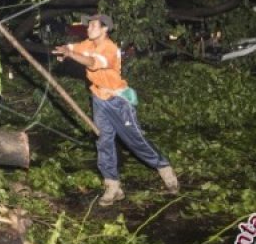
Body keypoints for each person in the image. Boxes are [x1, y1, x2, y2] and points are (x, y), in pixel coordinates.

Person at [53, 14, 179, 206]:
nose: (89, 28)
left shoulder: (110, 48)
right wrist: (65, 50)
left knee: (135, 140)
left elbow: (93, 63)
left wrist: (72, 55)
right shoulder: (89, 43)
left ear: (105, 29)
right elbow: (73, 47)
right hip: (98, 99)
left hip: (118, 101)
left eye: (93, 25)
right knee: (104, 141)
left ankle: (165, 170)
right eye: (89, 25)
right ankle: (112, 185)